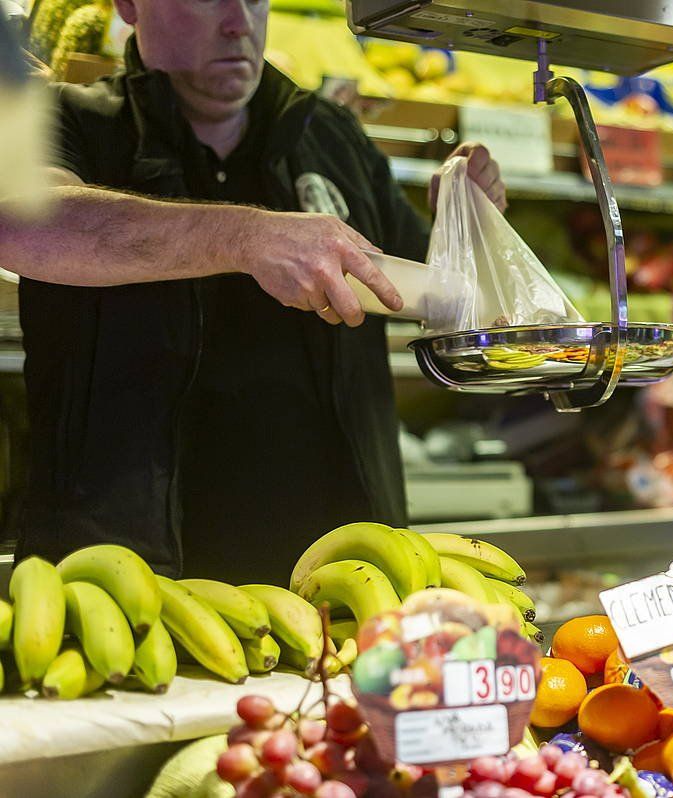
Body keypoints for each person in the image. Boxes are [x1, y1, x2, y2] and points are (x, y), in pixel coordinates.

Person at [0, 0, 506, 584]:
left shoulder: (333, 138)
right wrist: (243, 236)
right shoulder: (66, 118)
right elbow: (24, 224)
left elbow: (434, 292)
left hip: (338, 578)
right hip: (122, 581)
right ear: (130, 6)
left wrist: (465, 221)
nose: (239, 22)